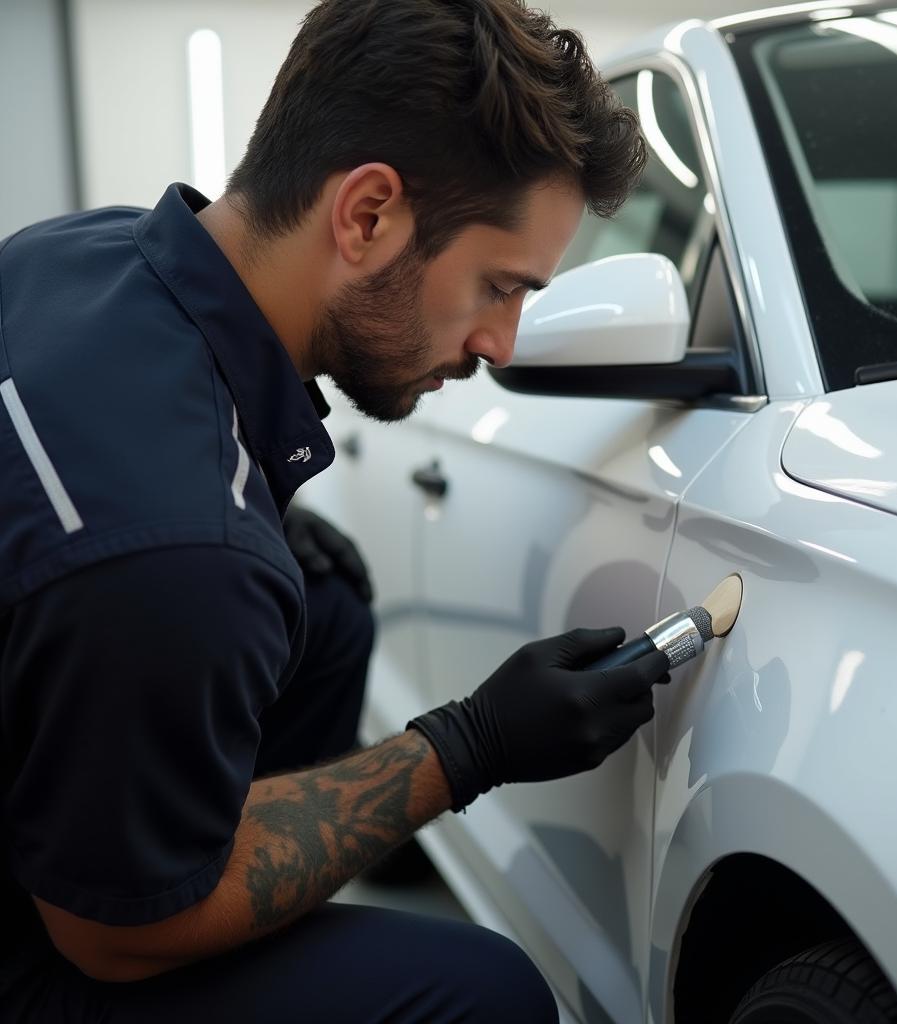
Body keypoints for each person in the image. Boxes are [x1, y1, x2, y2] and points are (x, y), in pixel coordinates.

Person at [0, 1, 668, 1020]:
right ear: (367, 216)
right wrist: (468, 744)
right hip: (62, 937)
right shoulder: (182, 550)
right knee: (487, 994)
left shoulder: (79, 254)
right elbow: (111, 940)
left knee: (326, 602)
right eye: (499, 285)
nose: (501, 341)